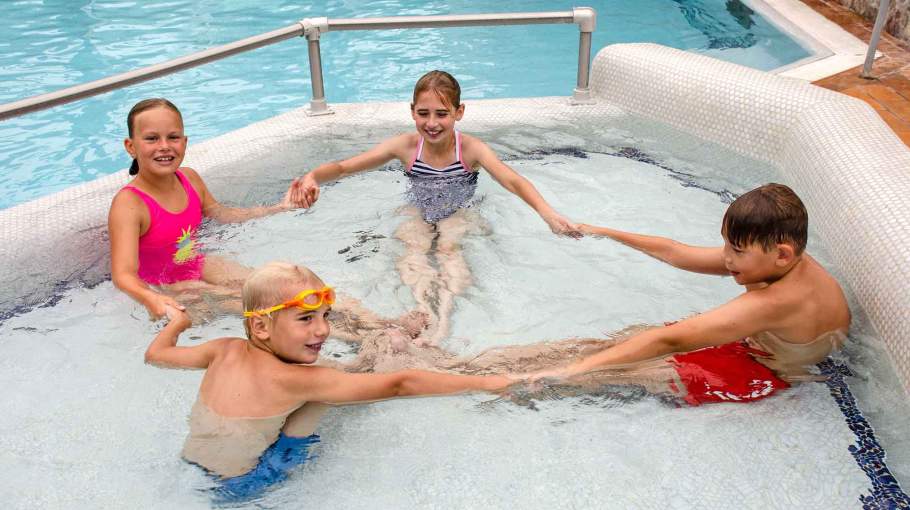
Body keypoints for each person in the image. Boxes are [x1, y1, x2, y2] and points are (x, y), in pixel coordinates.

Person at [144, 261, 510, 500]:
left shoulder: (221, 349)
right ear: (260, 326)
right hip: (244, 486)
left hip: (191, 466)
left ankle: (374, 352)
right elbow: (400, 384)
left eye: (325, 316)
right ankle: (383, 351)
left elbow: (155, 357)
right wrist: (488, 384)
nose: (323, 330)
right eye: (306, 319)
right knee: (324, 389)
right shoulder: (298, 380)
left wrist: (177, 323)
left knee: (325, 380)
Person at [290, 71, 580, 345]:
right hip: (418, 209)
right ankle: (422, 311)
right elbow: (343, 167)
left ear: (459, 112)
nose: (432, 123)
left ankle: (442, 320)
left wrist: (548, 214)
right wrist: (313, 176)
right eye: (423, 113)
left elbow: (511, 180)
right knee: (412, 246)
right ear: (412, 110)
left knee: (448, 248)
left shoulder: (470, 149)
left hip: (458, 211)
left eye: (442, 114)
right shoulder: (405, 146)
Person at [108, 99, 422, 340]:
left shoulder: (189, 178)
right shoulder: (130, 204)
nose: (164, 146)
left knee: (284, 287)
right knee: (265, 309)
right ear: (131, 146)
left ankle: (381, 322)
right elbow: (124, 274)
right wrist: (154, 299)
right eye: (151, 139)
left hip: (198, 263)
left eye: (172, 137)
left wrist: (278, 208)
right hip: (167, 283)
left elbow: (222, 213)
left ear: (186, 142)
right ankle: (366, 337)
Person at [532, 183, 851, 406]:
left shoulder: (780, 299)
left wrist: (571, 372)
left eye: (736, 250)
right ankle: (506, 366)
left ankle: (514, 382)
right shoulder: (772, 261)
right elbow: (675, 252)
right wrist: (600, 231)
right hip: (745, 345)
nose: (726, 258)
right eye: (726, 244)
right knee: (605, 348)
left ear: (782, 254)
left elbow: (669, 341)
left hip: (761, 371)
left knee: (601, 374)